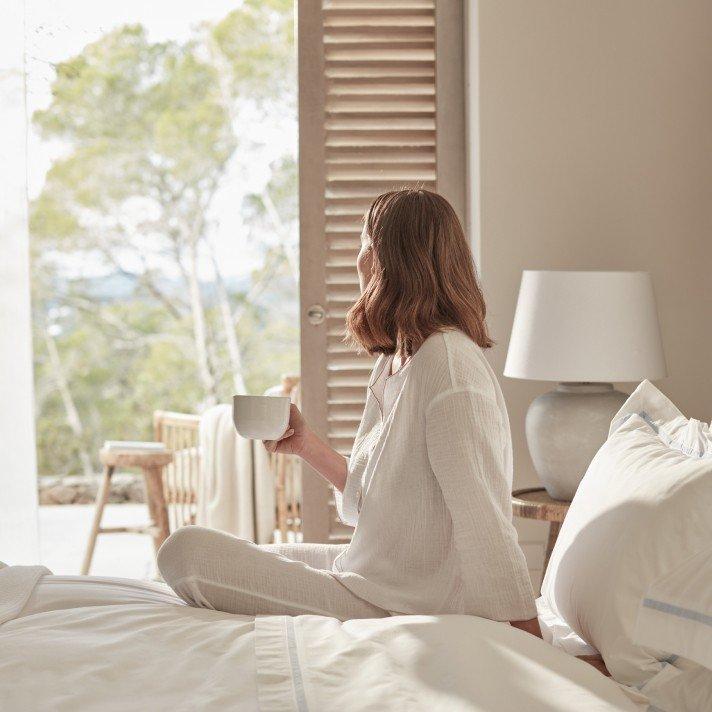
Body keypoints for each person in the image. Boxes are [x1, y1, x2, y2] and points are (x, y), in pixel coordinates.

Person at [158, 189, 540, 635]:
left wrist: (533, 642)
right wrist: (305, 445)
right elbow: (372, 504)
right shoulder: (397, 360)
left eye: (365, 244)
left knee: (186, 553)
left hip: (406, 604)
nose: (358, 259)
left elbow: (484, 519)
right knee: (241, 552)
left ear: (386, 259)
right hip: (372, 574)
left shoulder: (449, 367)